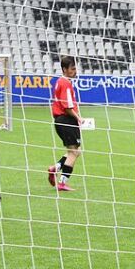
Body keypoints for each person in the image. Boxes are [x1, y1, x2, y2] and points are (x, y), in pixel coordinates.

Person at [47, 55, 83, 192]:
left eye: (75, 68)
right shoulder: (66, 83)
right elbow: (67, 106)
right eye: (72, 69)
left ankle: (55, 168)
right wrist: (78, 117)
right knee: (74, 152)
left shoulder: (59, 82)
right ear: (64, 69)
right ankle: (62, 182)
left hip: (60, 120)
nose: (75, 71)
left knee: (75, 151)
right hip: (66, 120)